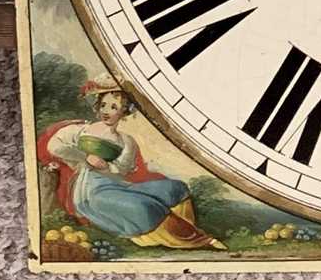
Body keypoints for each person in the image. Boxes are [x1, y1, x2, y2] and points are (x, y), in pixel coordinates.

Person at [37, 76, 225, 250]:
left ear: (124, 111)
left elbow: (121, 169)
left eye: (113, 107)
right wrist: (85, 157)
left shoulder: (126, 141)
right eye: (103, 105)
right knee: (144, 207)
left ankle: (185, 230)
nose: (106, 112)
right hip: (91, 192)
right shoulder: (82, 130)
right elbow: (55, 146)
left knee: (175, 188)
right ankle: (197, 239)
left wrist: (107, 166)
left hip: (118, 184)